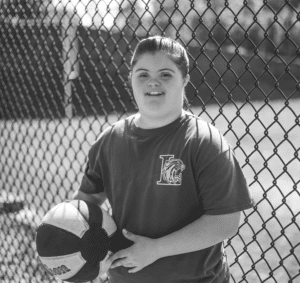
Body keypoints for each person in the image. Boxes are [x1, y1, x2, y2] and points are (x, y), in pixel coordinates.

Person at [72, 36, 254, 283]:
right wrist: (76, 240)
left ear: (185, 80)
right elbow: (87, 202)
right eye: (143, 74)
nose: (153, 81)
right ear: (131, 79)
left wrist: (155, 249)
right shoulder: (110, 140)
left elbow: (225, 223)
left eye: (166, 74)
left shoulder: (204, 141)